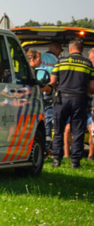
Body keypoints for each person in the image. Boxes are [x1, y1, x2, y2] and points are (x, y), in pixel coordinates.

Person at [48, 38, 94, 168]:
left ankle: (56, 160)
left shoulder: (60, 61)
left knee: (58, 130)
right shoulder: (87, 64)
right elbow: (92, 87)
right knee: (78, 131)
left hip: (62, 99)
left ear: (70, 49)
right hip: (79, 100)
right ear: (82, 50)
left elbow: (53, 82)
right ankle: (75, 162)